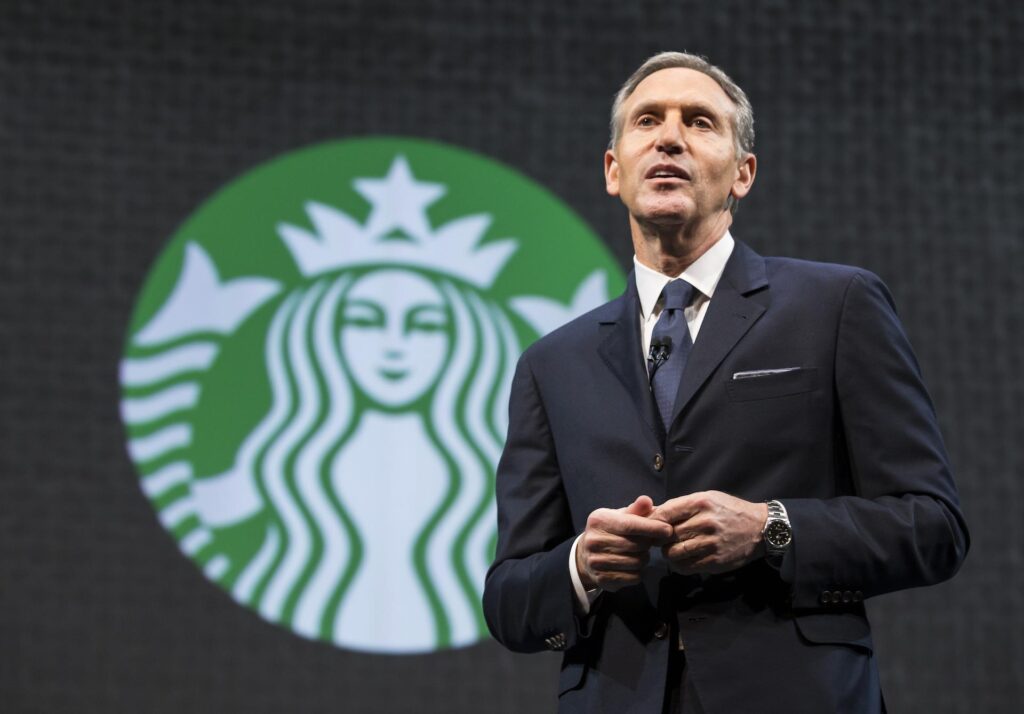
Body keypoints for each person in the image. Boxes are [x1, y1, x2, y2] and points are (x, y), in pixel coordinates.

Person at [482, 51, 968, 713]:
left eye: (700, 122)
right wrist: (582, 566)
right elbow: (511, 601)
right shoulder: (552, 364)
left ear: (742, 174)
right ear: (612, 169)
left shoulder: (836, 306)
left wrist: (771, 528)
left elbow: (932, 526)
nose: (670, 136)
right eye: (647, 121)